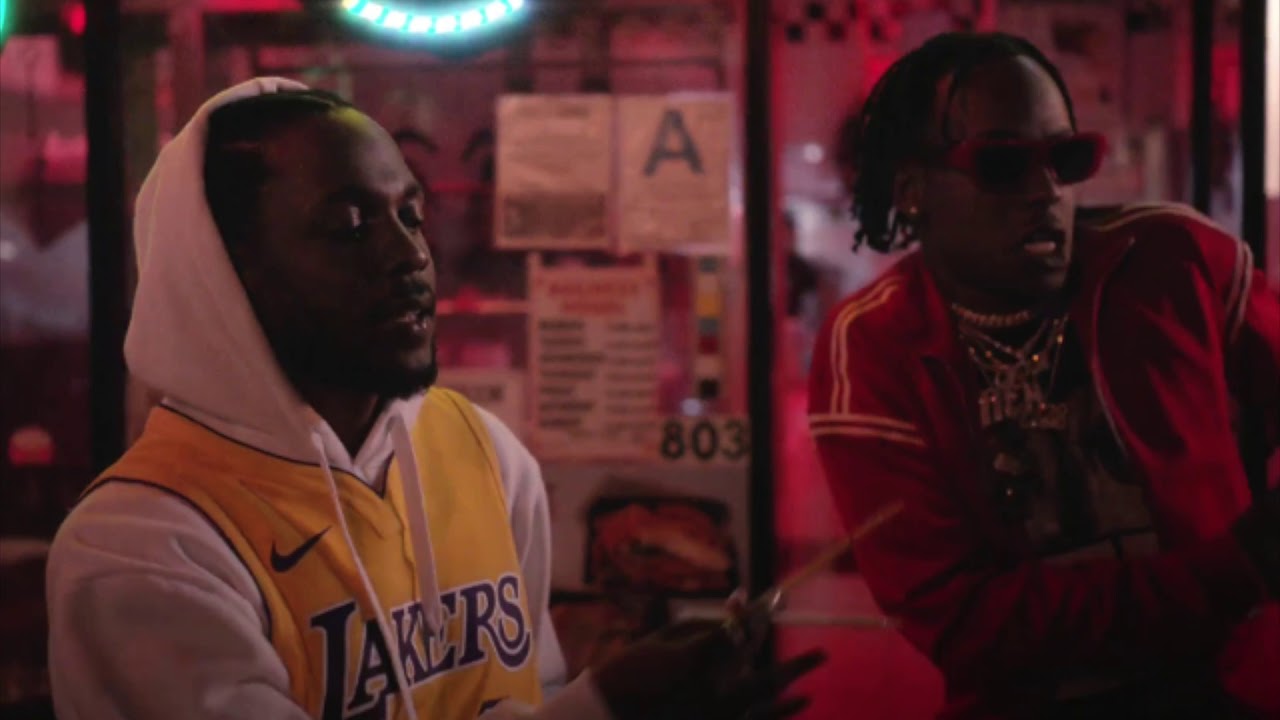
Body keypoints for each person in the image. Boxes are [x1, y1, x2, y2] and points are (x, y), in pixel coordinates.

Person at [46, 78, 822, 720]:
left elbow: (527, 696)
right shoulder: (145, 544)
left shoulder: (484, 452)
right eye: (351, 224)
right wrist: (604, 711)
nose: (410, 254)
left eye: (411, 214)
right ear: (224, 273)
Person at [808, 32, 1280, 719]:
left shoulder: (1174, 260)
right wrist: (1237, 568)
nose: (1046, 190)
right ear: (911, 191)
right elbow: (964, 621)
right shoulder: (874, 347)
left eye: (1066, 157)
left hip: (1230, 692)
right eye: (1002, 164)